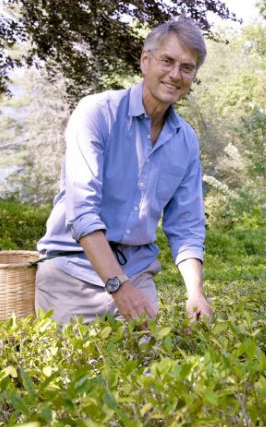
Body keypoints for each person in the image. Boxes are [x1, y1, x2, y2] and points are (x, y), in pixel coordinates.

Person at [35, 18, 213, 325]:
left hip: (137, 275)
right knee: (77, 358)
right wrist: (118, 286)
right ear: (145, 60)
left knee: (151, 356)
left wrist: (195, 292)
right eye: (167, 61)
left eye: (187, 67)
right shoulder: (97, 113)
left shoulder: (186, 141)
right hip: (71, 273)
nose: (175, 75)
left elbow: (187, 227)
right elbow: (82, 212)